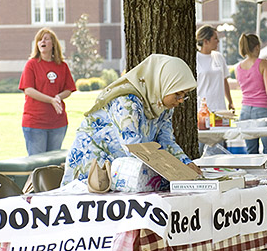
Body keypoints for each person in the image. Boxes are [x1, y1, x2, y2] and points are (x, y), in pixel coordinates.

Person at [61, 54, 196, 190]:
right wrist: (176, 171)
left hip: (120, 168)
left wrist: (186, 163)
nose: (180, 101)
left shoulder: (162, 106)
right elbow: (134, 148)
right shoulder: (127, 102)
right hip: (92, 168)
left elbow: (166, 141)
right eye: (178, 94)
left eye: (184, 96)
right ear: (165, 84)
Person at [19, 28, 76, 156]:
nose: (42, 41)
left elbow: (69, 89)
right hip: (35, 123)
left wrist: (58, 97)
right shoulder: (31, 65)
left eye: (46, 38)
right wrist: (50, 99)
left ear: (53, 44)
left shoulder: (62, 66)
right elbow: (28, 90)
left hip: (58, 123)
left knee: (52, 165)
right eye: (39, 39)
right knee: (37, 165)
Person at [236, 33, 267, 154]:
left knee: (251, 151)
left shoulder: (238, 67)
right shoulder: (264, 64)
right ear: (257, 47)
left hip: (245, 111)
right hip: (264, 110)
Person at [196, 25, 234, 112]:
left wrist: (230, 102)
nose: (218, 41)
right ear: (206, 41)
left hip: (220, 108)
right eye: (215, 38)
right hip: (203, 109)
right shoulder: (195, 59)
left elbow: (224, 81)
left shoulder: (219, 57)